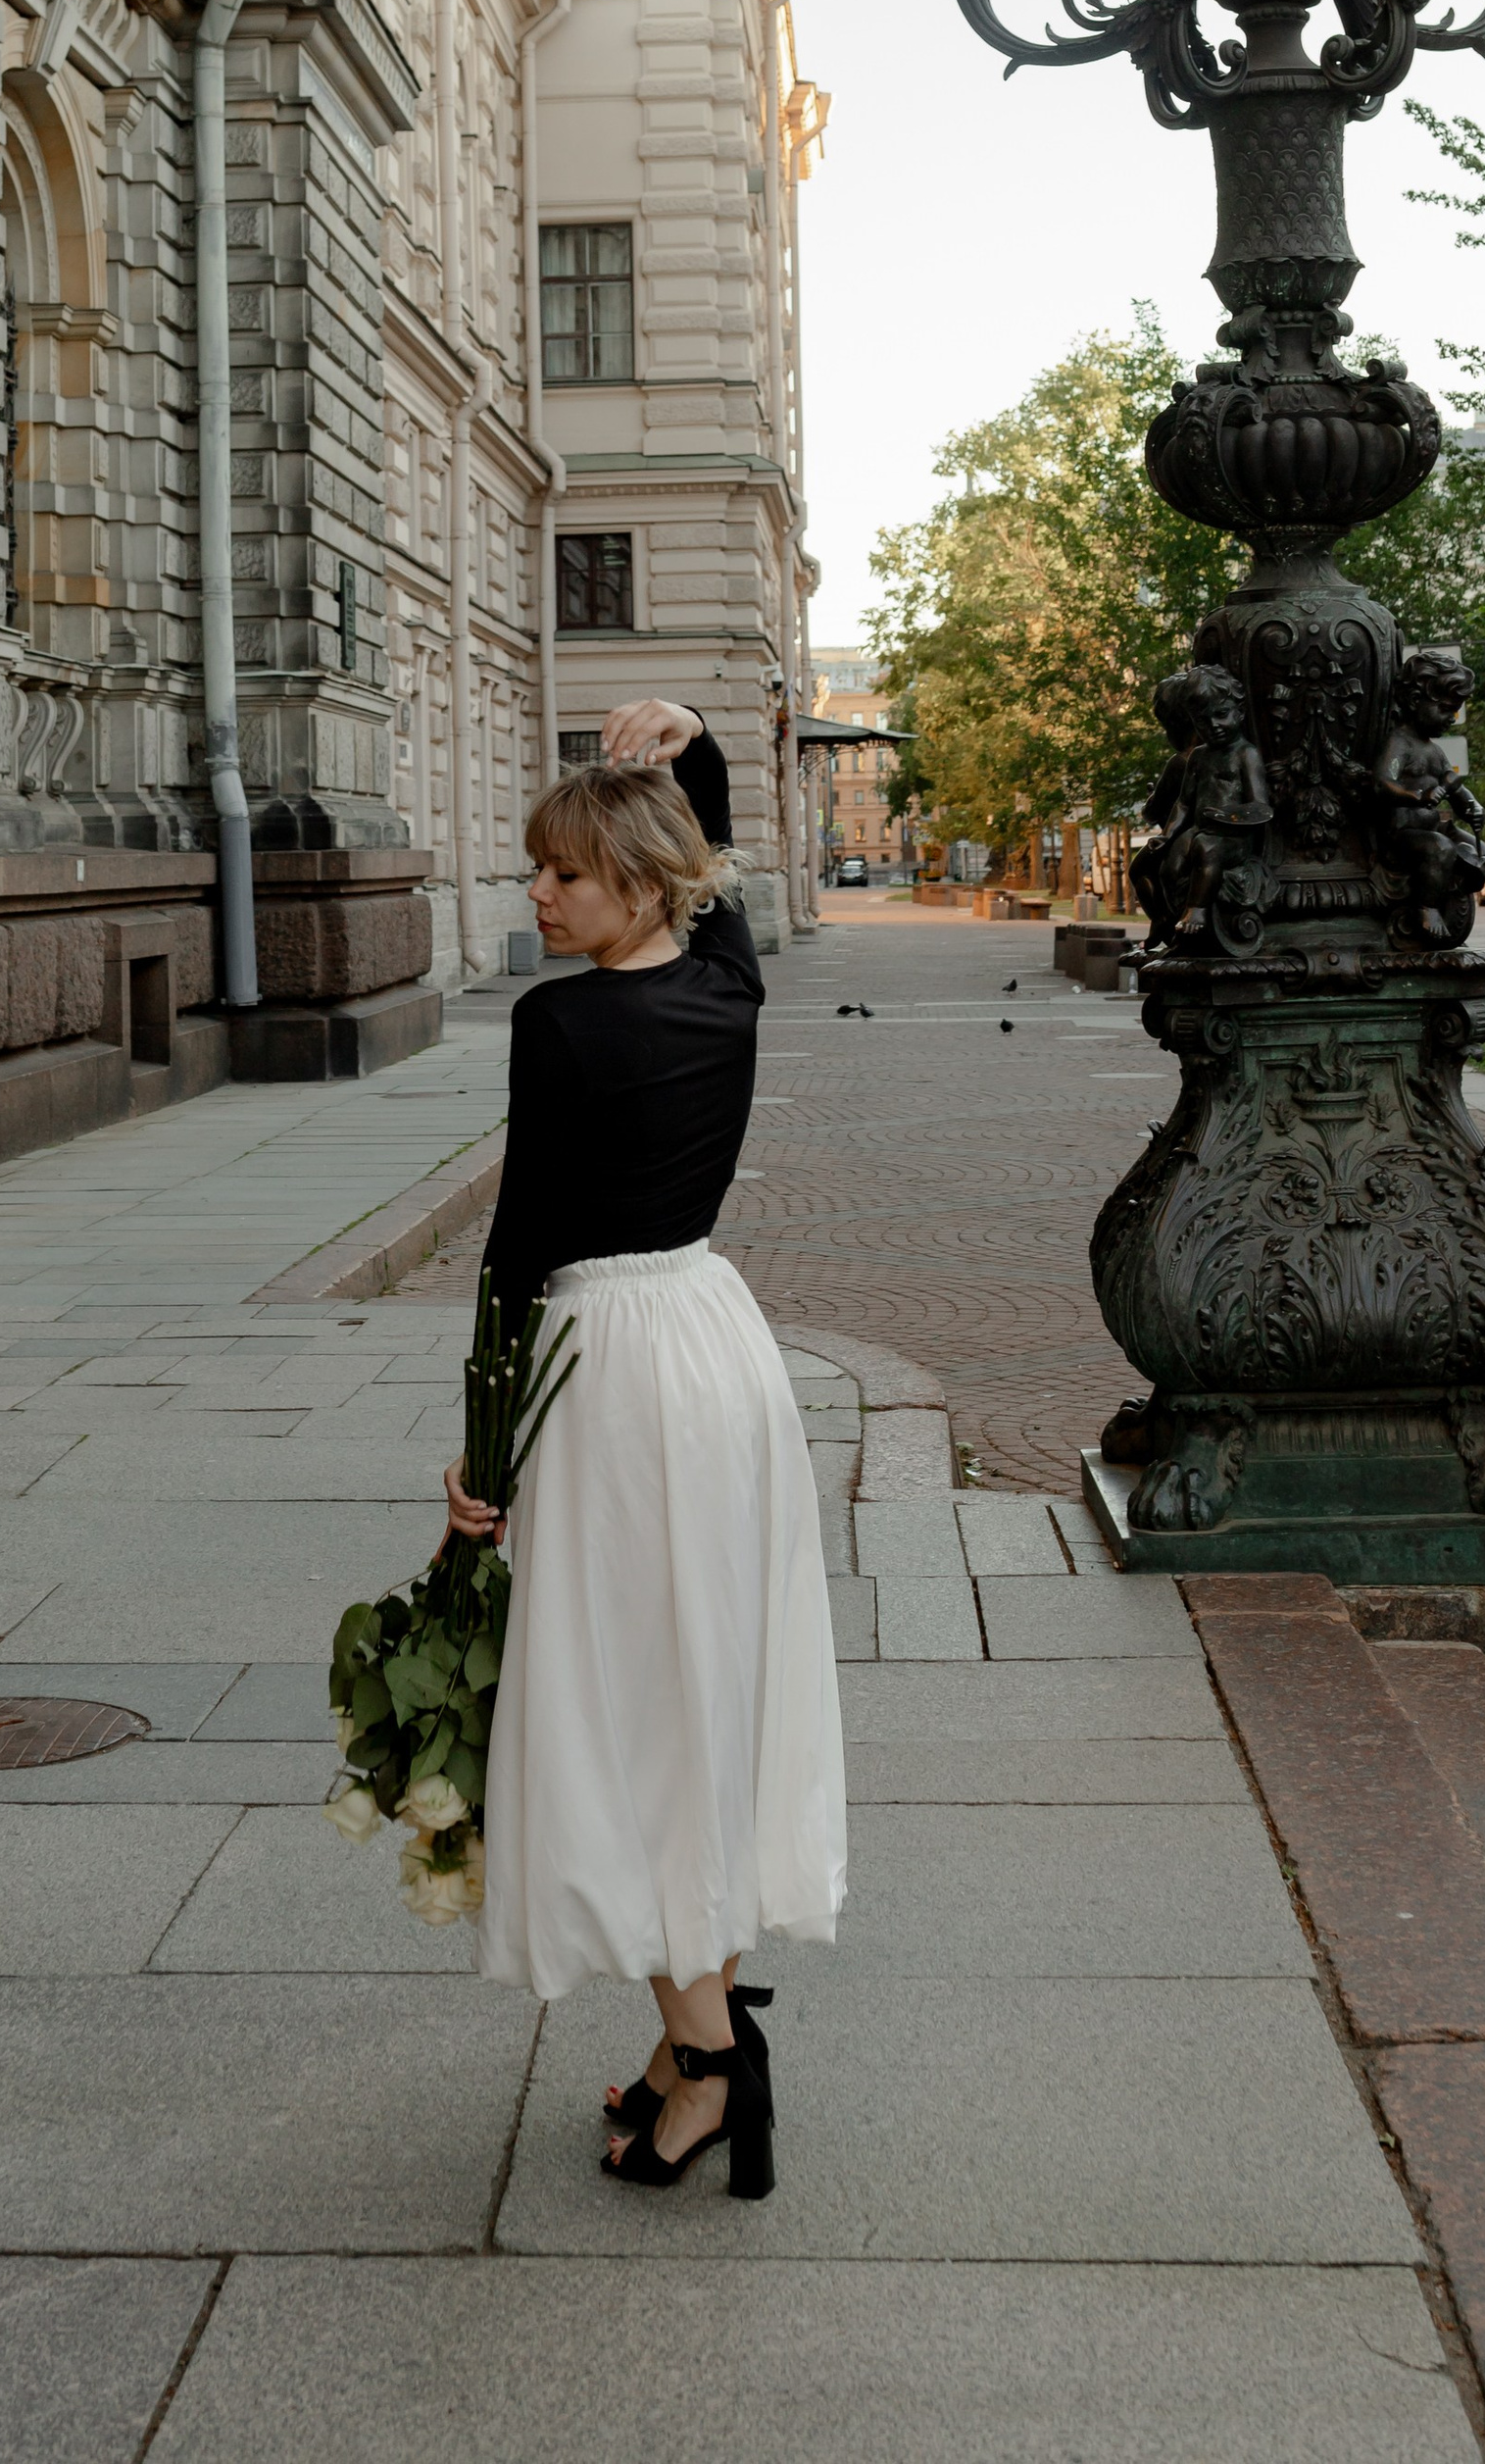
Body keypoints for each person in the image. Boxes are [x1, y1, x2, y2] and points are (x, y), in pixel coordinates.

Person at [443, 694, 846, 2199]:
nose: (539, 894)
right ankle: (690, 2047)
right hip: (719, 1347)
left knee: (627, 1714)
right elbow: (725, 878)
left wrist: (484, 1443)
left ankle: (718, 2069)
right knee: (706, 1689)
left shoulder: (558, 1023)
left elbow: (519, 1238)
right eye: (539, 869)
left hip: (605, 1365)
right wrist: (696, 762)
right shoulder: (732, 985)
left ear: (639, 885)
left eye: (565, 874)